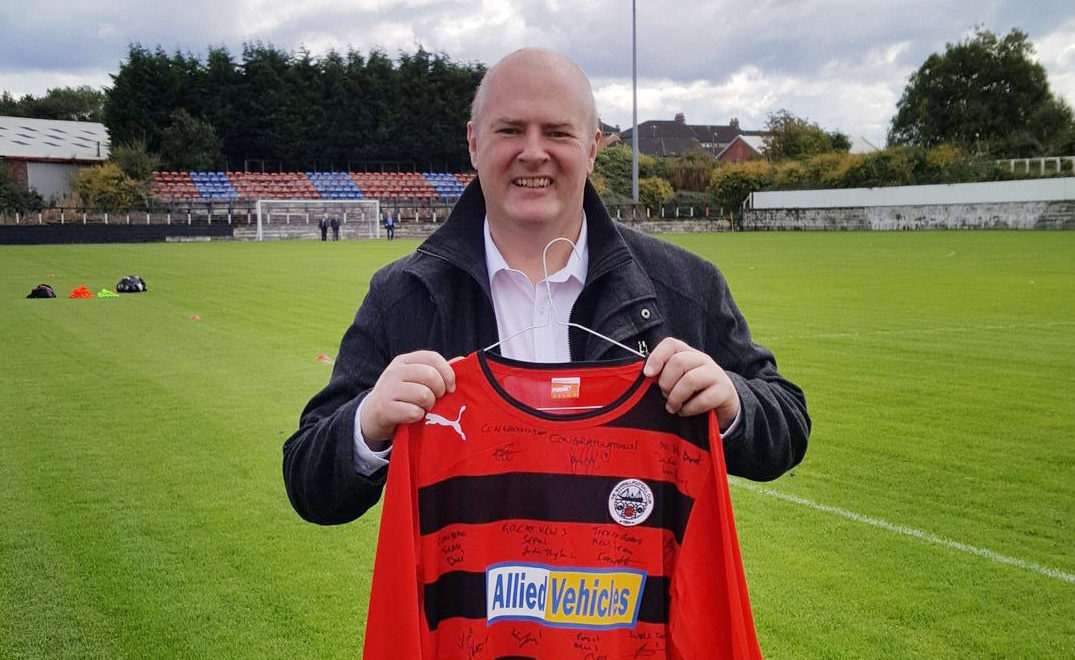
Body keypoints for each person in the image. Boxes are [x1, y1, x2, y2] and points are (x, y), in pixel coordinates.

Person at [283, 48, 809, 526]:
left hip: (630, 621)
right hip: (467, 620)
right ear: (473, 142)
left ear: (593, 147)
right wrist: (367, 424)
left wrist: (733, 405)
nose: (533, 153)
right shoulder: (406, 295)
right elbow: (308, 481)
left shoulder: (684, 285)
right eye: (510, 130)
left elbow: (788, 424)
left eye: (557, 133)